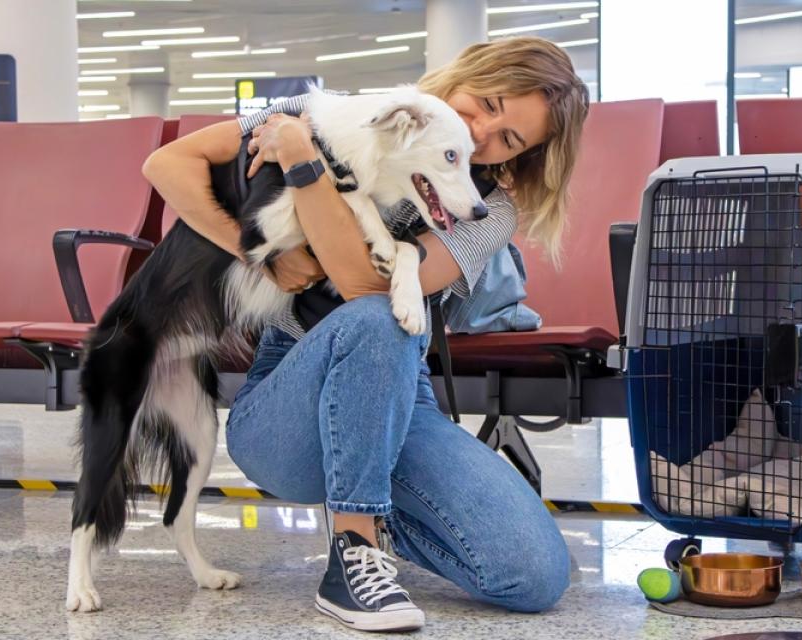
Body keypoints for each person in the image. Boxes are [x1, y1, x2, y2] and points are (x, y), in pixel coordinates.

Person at [141, 36, 589, 632]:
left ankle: (377, 511)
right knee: (387, 316)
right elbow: (166, 163)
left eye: (508, 139)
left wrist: (303, 164)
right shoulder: (332, 112)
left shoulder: (490, 211)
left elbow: (360, 286)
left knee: (533, 575)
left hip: (399, 396)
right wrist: (256, 256)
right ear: (465, 75)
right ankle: (354, 557)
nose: (480, 134)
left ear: (522, 156)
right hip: (287, 398)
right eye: (485, 102)